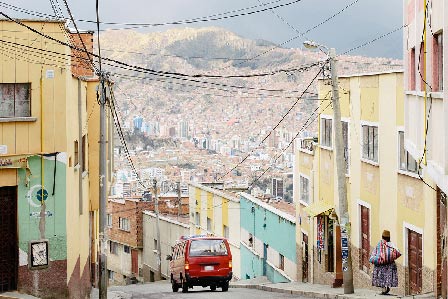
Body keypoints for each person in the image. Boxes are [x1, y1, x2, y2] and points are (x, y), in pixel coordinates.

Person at [371, 230, 399, 295]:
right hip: (390, 264)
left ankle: (384, 289)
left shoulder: (380, 243)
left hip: (381, 264)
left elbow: (376, 252)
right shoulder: (391, 244)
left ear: (382, 236)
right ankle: (387, 287)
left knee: (381, 276)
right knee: (388, 276)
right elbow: (395, 253)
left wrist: (375, 259)